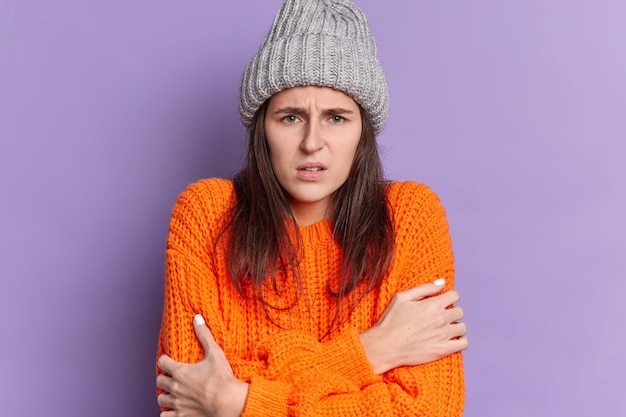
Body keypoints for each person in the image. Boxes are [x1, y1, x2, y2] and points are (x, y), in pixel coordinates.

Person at [155, 0, 468, 415]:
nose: (312, 142)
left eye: (337, 118)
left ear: (363, 131)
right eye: (290, 117)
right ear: (261, 127)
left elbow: (428, 410)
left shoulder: (410, 217)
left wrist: (238, 401)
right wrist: (370, 352)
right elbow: (190, 396)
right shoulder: (207, 215)